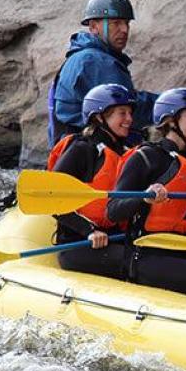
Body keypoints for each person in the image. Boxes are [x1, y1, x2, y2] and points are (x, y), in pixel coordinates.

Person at [107, 88, 186, 295]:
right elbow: (113, 210)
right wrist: (145, 199)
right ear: (170, 121)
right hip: (149, 255)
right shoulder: (147, 157)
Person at [46, 83, 135, 279]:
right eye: (122, 113)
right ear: (99, 116)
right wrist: (89, 230)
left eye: (130, 113)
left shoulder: (128, 153)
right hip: (80, 245)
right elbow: (52, 198)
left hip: (117, 238)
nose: (129, 119)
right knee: (138, 262)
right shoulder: (83, 149)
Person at [47, 0, 156, 147]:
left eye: (126, 23)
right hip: (91, 157)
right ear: (93, 27)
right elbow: (129, 109)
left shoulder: (79, 57)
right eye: (116, 23)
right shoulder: (96, 61)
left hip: (73, 151)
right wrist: (170, 105)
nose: (124, 30)